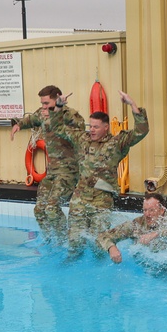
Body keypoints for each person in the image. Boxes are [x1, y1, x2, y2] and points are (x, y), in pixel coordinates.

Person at [66, 90, 149, 254]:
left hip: (101, 201)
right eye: (91, 126)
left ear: (106, 127)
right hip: (79, 200)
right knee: (74, 242)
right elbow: (60, 129)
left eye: (96, 127)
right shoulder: (82, 139)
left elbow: (142, 130)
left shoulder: (116, 143)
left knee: (99, 244)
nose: (92, 130)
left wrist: (132, 104)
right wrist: (59, 107)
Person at [10, 85, 86, 244]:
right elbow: (32, 119)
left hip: (68, 172)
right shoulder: (42, 112)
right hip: (52, 172)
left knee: (52, 208)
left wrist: (55, 114)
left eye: (46, 103)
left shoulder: (71, 115)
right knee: (39, 210)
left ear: (57, 98)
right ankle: (50, 240)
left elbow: (78, 133)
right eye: (42, 103)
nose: (43, 107)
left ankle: (64, 241)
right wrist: (19, 125)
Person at [96, 193, 167, 263]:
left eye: (151, 210)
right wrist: (111, 248)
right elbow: (102, 237)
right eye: (145, 210)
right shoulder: (137, 224)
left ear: (161, 210)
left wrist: (158, 233)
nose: (147, 214)